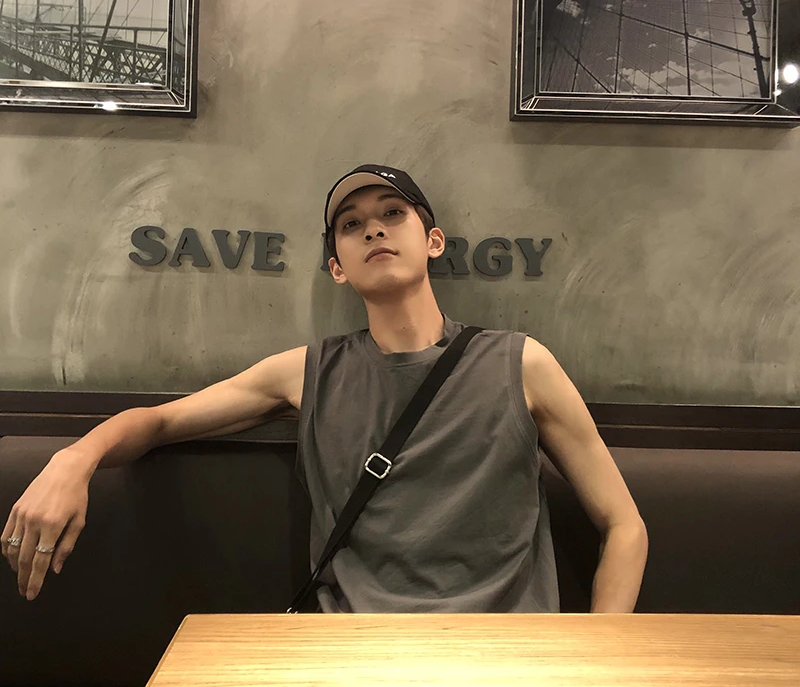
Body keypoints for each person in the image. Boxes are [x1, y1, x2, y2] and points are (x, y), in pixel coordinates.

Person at [2, 164, 648, 611]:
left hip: (507, 658)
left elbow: (624, 525)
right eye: (351, 223)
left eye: (392, 213)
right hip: (348, 653)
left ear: (433, 241)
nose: (374, 229)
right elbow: (162, 422)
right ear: (337, 267)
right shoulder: (307, 372)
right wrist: (75, 458)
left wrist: (595, 658)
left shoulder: (521, 363)